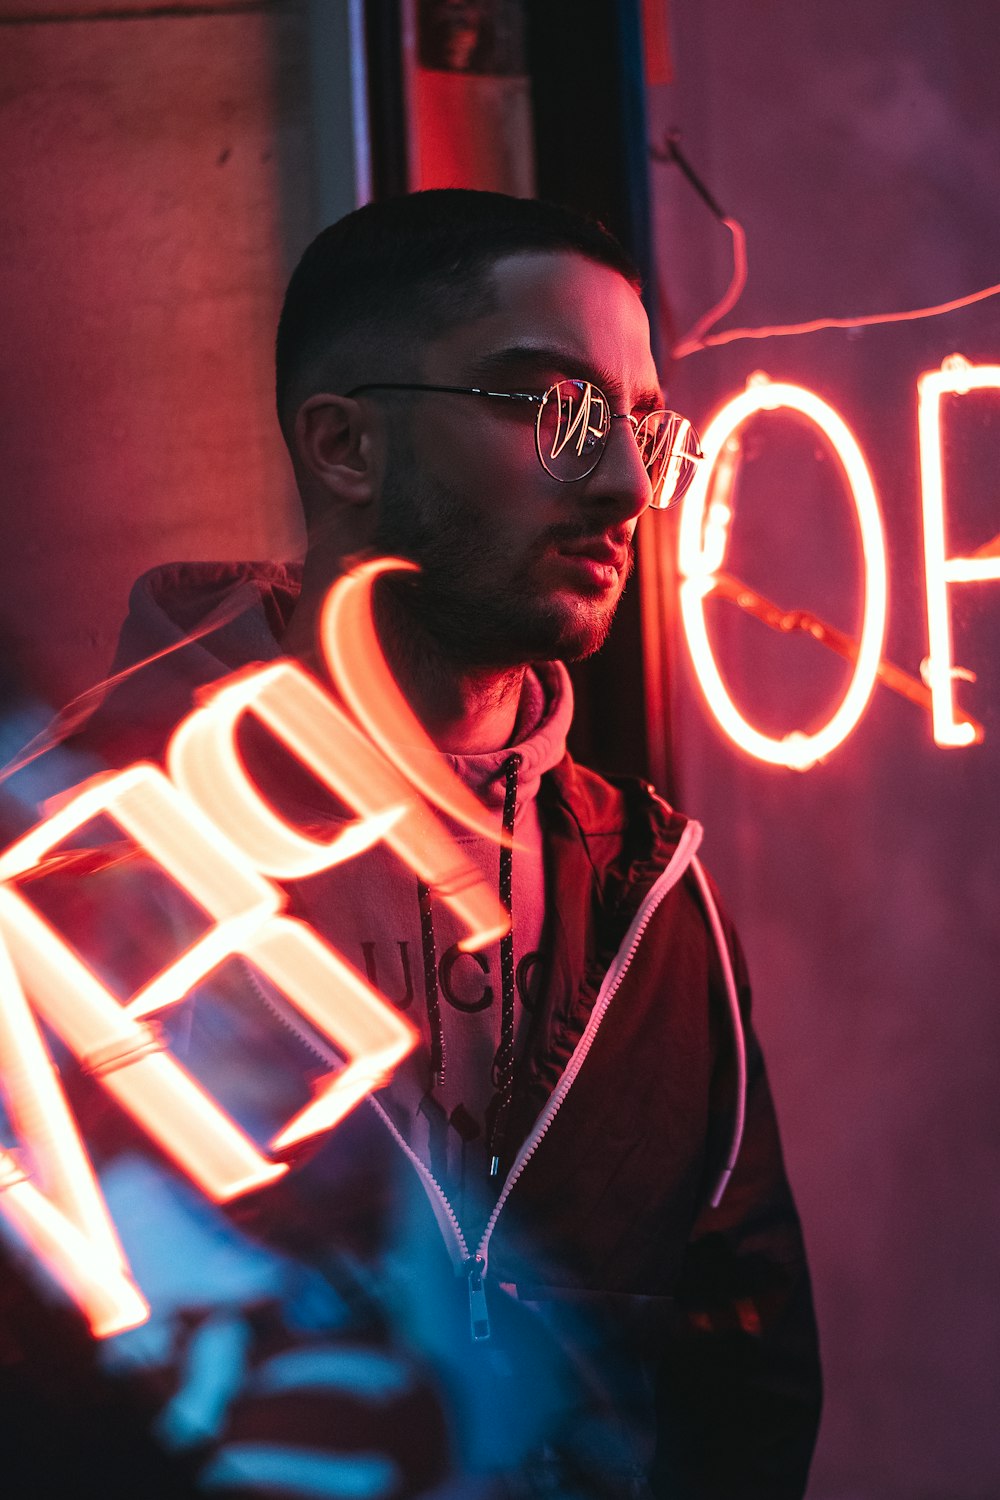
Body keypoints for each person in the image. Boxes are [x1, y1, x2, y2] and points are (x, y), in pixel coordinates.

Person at [3, 189, 821, 1498]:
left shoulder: (645, 881)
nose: (619, 485)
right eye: (556, 410)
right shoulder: (80, 862)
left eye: (644, 434)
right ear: (343, 446)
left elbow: (741, 1368)